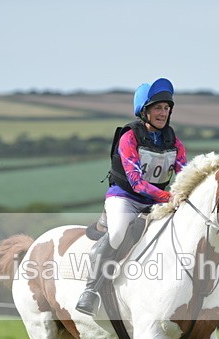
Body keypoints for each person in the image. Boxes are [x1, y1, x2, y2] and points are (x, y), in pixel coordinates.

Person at [76, 78, 187, 315]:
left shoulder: (172, 140)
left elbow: (184, 173)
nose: (163, 113)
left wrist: (186, 193)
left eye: (167, 108)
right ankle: (91, 289)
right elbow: (136, 183)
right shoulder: (129, 137)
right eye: (158, 108)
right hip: (124, 197)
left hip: (157, 201)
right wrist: (169, 197)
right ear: (144, 111)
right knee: (118, 233)